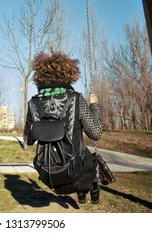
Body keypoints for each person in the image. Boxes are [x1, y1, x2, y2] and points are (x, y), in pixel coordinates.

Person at [23, 51, 104, 204]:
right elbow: (96, 133)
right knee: (90, 159)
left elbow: (28, 140)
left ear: (40, 77)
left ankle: (83, 190)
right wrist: (95, 106)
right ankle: (88, 188)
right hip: (75, 171)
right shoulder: (76, 98)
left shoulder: (33, 103)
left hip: (47, 172)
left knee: (84, 157)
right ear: (69, 75)